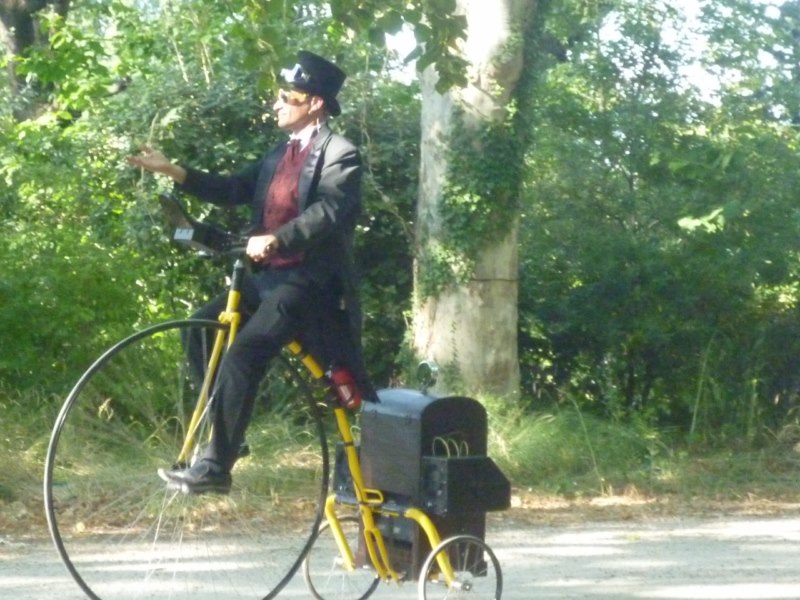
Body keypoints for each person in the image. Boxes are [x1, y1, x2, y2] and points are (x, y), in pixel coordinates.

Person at [128, 50, 375, 494]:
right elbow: (234, 189)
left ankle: (216, 468)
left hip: (306, 283)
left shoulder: (341, 154)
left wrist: (278, 237)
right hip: (266, 277)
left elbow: (331, 211)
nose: (276, 104)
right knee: (202, 327)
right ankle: (229, 436)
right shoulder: (279, 154)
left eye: (286, 97)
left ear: (314, 103)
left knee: (246, 352)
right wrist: (173, 170)